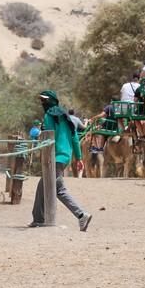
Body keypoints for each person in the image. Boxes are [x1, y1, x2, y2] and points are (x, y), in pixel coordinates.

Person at [29, 90, 92, 231]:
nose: (42, 103)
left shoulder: (49, 116)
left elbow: (48, 135)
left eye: (44, 100)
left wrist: (39, 139)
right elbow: (75, 138)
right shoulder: (66, 117)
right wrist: (79, 158)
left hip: (54, 157)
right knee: (55, 188)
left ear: (51, 101)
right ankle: (80, 216)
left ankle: (79, 215)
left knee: (50, 188)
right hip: (65, 157)